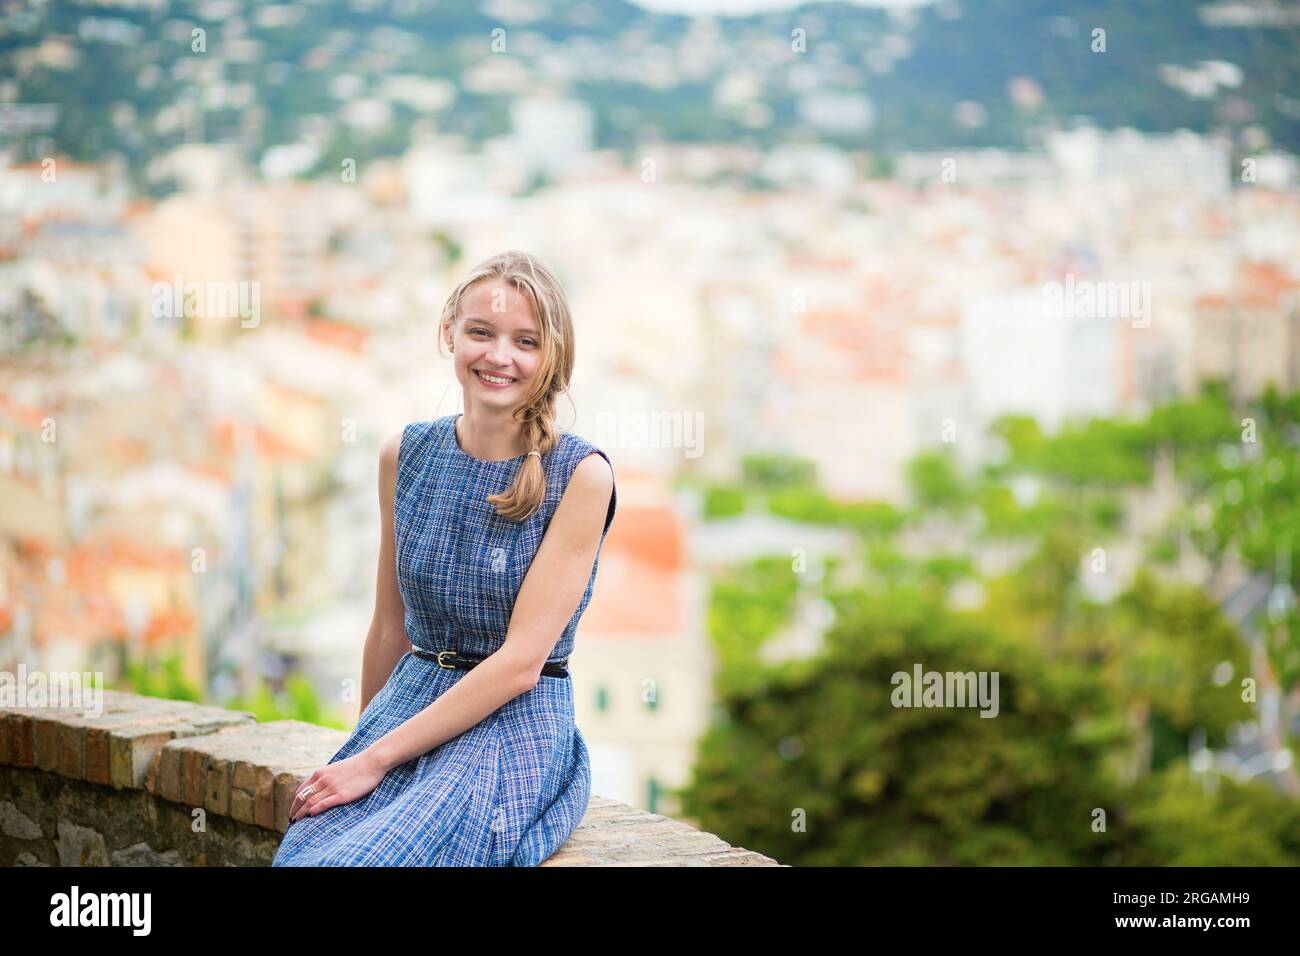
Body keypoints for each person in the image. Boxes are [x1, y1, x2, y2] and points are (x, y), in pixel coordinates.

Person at [272, 250, 616, 866]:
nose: (498, 356)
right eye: (480, 332)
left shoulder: (580, 476)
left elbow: (519, 665)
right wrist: (359, 750)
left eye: (525, 341)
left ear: (553, 357)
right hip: (410, 705)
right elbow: (387, 627)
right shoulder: (404, 454)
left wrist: (377, 760)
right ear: (448, 333)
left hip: (511, 726)